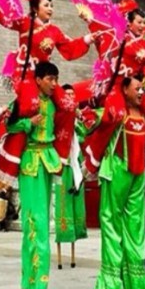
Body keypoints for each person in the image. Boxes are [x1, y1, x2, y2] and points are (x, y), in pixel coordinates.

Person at [0, 0, 95, 194]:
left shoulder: (55, 31)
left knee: (69, 106)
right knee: (31, 106)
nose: (50, 9)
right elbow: (4, 19)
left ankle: (59, 156)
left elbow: (69, 50)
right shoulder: (24, 23)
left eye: (51, 6)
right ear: (35, 8)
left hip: (46, 78)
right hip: (26, 76)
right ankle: (11, 157)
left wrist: (88, 39)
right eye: (46, 5)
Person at [84, 76, 145, 289]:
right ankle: (110, 284)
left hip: (137, 174)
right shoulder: (115, 111)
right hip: (116, 170)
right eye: (136, 88)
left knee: (136, 230)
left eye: (143, 88)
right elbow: (94, 120)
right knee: (111, 227)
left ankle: (136, 286)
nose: (141, 92)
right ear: (124, 89)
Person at [8, 62, 63, 289]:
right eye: (50, 79)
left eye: (56, 79)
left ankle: (40, 284)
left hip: (48, 161)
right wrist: (27, 123)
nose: (54, 84)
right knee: (35, 223)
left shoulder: (55, 102)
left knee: (46, 224)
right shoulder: (25, 100)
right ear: (38, 79)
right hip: (30, 160)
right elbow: (6, 126)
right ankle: (35, 282)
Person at [52, 84, 88, 269]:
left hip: (76, 160)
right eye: (67, 95)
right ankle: (62, 238)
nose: (70, 99)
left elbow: (84, 135)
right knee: (63, 201)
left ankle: (75, 239)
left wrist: (78, 122)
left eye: (73, 96)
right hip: (62, 161)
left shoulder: (77, 117)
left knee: (77, 200)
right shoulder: (58, 115)